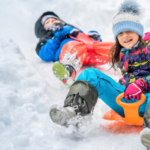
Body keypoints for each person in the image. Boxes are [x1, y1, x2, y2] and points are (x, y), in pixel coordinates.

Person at [49, 0, 150, 148]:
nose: (125, 36)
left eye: (129, 30)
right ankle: (74, 113)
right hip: (129, 103)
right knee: (91, 74)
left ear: (139, 31)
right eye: (120, 33)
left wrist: (143, 83)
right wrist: (125, 83)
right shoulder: (124, 53)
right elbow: (132, 76)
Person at [34, 11, 113, 86]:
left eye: (55, 19)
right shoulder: (49, 36)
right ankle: (68, 70)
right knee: (72, 46)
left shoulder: (73, 30)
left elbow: (86, 40)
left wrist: (95, 38)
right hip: (74, 55)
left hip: (92, 52)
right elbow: (45, 53)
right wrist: (59, 35)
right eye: (47, 22)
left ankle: (124, 56)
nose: (53, 21)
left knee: (110, 46)